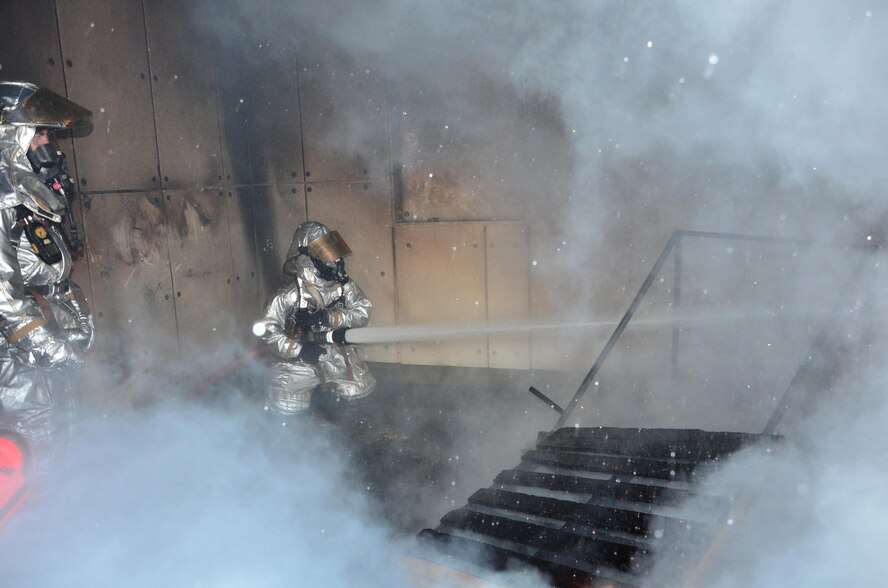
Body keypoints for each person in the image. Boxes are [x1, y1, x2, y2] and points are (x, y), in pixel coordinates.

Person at [0, 81, 95, 472]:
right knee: (39, 451)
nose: (48, 144)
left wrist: (78, 332)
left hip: (47, 347)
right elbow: (4, 298)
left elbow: (52, 274)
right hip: (19, 360)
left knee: (66, 437)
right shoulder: (3, 201)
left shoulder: (26, 198)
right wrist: (52, 350)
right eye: (39, 133)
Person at [254, 221, 376, 424]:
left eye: (332, 251)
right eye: (325, 253)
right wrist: (298, 350)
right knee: (288, 405)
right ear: (307, 258)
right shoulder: (289, 295)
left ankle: (348, 434)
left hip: (336, 354)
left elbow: (363, 310)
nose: (335, 260)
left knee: (359, 388)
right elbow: (269, 331)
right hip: (299, 362)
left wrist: (329, 317)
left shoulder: (344, 287)